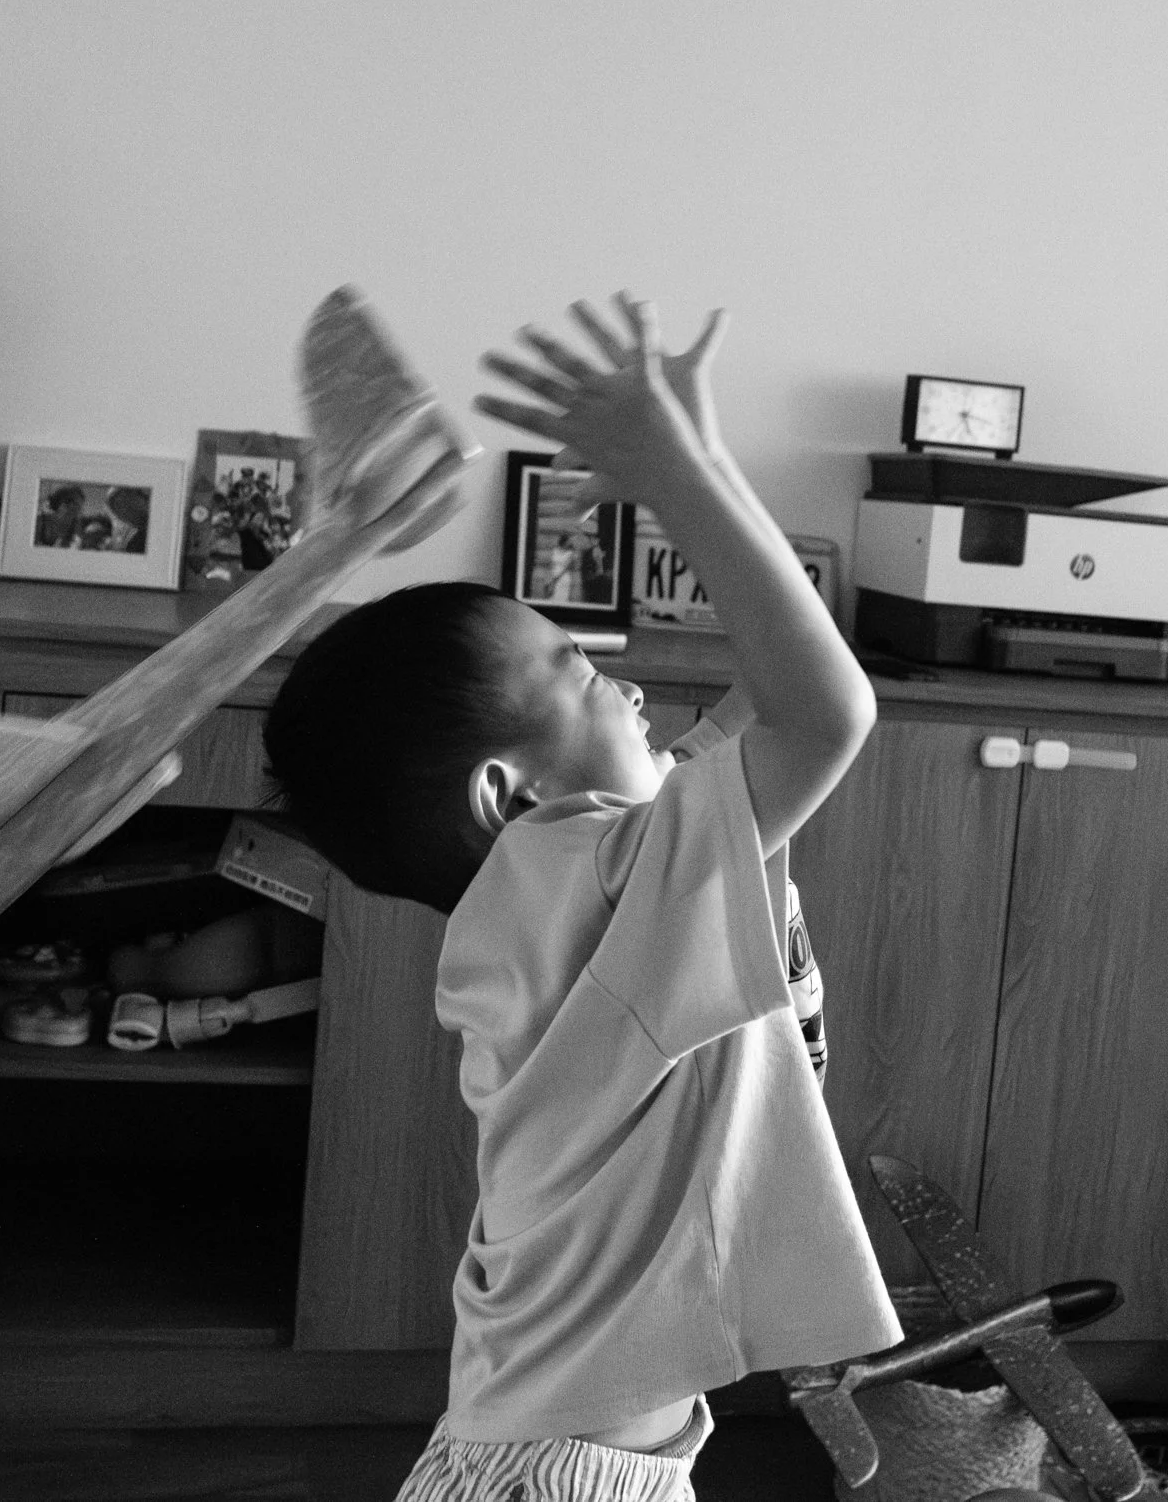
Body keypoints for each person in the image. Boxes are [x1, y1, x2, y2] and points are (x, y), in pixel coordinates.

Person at [262, 293, 898, 1501]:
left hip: (553, 1447)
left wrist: (702, 460)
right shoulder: (589, 879)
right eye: (588, 674)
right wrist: (672, 475)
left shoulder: (593, 886)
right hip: (562, 1470)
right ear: (511, 796)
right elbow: (827, 710)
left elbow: (775, 695)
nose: (637, 696)